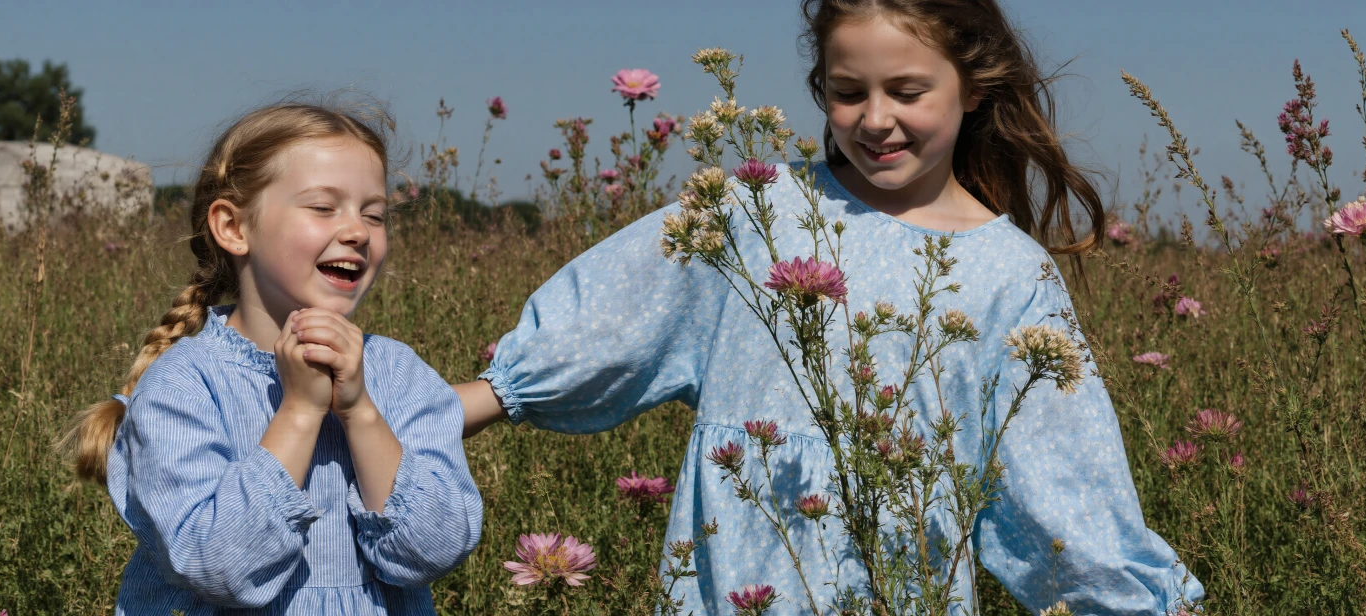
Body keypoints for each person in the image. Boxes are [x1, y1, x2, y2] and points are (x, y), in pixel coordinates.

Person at [457, 0, 1201, 613]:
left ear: (973, 88)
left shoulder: (1012, 275)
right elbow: (612, 317)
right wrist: (455, 405)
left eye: (908, 93)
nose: (875, 119)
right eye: (849, 92)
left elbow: (1062, 487)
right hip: (732, 586)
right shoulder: (757, 207)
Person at [61, 103, 481, 615]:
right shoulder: (185, 386)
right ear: (234, 228)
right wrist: (301, 412)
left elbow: (434, 552)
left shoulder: (400, 376)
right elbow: (221, 567)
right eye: (324, 207)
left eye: (374, 214)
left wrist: (362, 413)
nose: (357, 231)